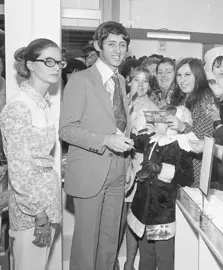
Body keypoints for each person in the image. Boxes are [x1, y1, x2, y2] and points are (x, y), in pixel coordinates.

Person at [59, 21, 133, 270]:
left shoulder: (121, 81)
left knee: (110, 242)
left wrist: (129, 164)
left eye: (122, 45)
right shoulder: (81, 80)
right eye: (111, 44)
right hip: (91, 171)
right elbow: (66, 130)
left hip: (118, 172)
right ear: (97, 46)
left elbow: (122, 127)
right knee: (86, 245)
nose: (118, 50)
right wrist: (104, 140)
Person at [0, 38, 64, 270]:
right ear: (30, 64)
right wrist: (39, 214)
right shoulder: (19, 107)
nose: (56, 67)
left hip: (46, 204)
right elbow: (20, 169)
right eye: (49, 61)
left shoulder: (42, 105)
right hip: (33, 212)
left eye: (59, 62)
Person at [128, 105, 194, 270]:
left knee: (163, 257)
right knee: (146, 255)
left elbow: (187, 177)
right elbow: (134, 140)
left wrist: (161, 169)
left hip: (162, 213)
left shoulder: (180, 146)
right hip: (142, 210)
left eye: (160, 120)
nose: (155, 122)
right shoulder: (151, 139)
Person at [119, 66, 160, 270]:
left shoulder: (153, 108)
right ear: (129, 81)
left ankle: (129, 262)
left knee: (134, 217)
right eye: (137, 80)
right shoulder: (122, 102)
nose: (141, 85)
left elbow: (158, 141)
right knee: (119, 217)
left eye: (146, 81)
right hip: (119, 163)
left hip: (140, 166)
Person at [169, 58, 218, 186]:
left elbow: (205, 137)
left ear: (198, 76)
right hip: (180, 162)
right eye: (179, 75)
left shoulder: (208, 100)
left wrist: (182, 127)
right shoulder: (182, 98)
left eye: (187, 75)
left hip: (196, 165)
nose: (182, 80)